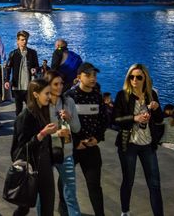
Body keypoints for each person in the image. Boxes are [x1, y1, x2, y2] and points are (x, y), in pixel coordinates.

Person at [113, 63, 164, 216]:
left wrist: (156, 108)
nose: (134, 80)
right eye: (131, 76)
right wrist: (134, 118)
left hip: (148, 144)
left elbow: (160, 119)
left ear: (145, 79)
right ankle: (125, 211)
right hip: (128, 144)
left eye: (138, 77)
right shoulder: (122, 95)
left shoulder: (151, 95)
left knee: (155, 184)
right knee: (128, 181)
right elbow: (115, 119)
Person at [10, 79, 57, 216]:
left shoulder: (44, 112)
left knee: (48, 204)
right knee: (24, 207)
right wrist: (42, 134)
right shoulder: (24, 117)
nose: (50, 96)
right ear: (36, 94)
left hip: (45, 163)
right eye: (47, 93)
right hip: (30, 168)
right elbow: (21, 149)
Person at [66, 62, 106, 216]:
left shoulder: (97, 96)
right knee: (65, 184)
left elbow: (103, 120)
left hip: (91, 146)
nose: (92, 78)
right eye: (88, 75)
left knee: (95, 186)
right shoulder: (70, 96)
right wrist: (76, 142)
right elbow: (64, 123)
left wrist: (97, 138)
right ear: (79, 77)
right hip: (73, 148)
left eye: (94, 75)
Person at [45, 70, 81, 216]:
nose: (60, 87)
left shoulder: (68, 102)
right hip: (46, 154)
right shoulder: (42, 104)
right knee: (45, 196)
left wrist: (70, 117)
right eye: (55, 84)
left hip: (66, 153)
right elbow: (37, 132)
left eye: (61, 83)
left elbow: (77, 128)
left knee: (70, 194)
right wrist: (56, 134)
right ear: (47, 85)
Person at [5, 30, 39, 116]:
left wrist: (35, 69)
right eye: (22, 39)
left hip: (29, 86)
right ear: (18, 41)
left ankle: (30, 127)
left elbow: (37, 66)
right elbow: (8, 68)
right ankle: (19, 126)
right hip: (17, 86)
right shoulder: (13, 54)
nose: (25, 41)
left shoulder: (33, 53)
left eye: (26, 39)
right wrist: (6, 80)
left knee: (31, 108)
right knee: (18, 109)